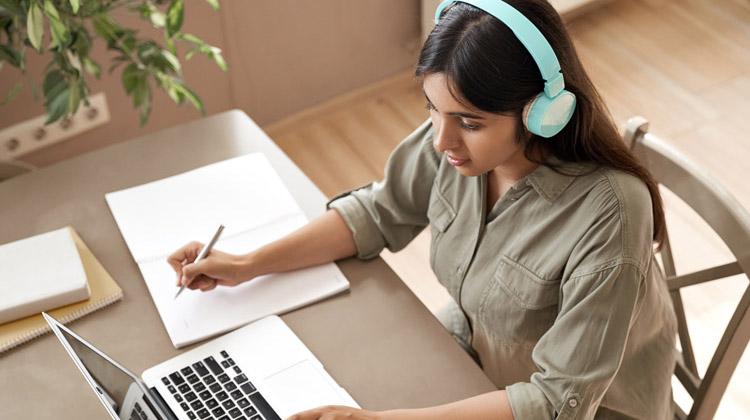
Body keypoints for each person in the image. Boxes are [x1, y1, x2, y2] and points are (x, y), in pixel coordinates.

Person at [167, 1, 677, 418]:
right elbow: (378, 212)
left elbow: (556, 402)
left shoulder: (611, 214)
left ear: (543, 114)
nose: (441, 140)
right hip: (482, 361)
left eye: (469, 123)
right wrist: (246, 264)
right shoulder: (460, 148)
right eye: (432, 109)